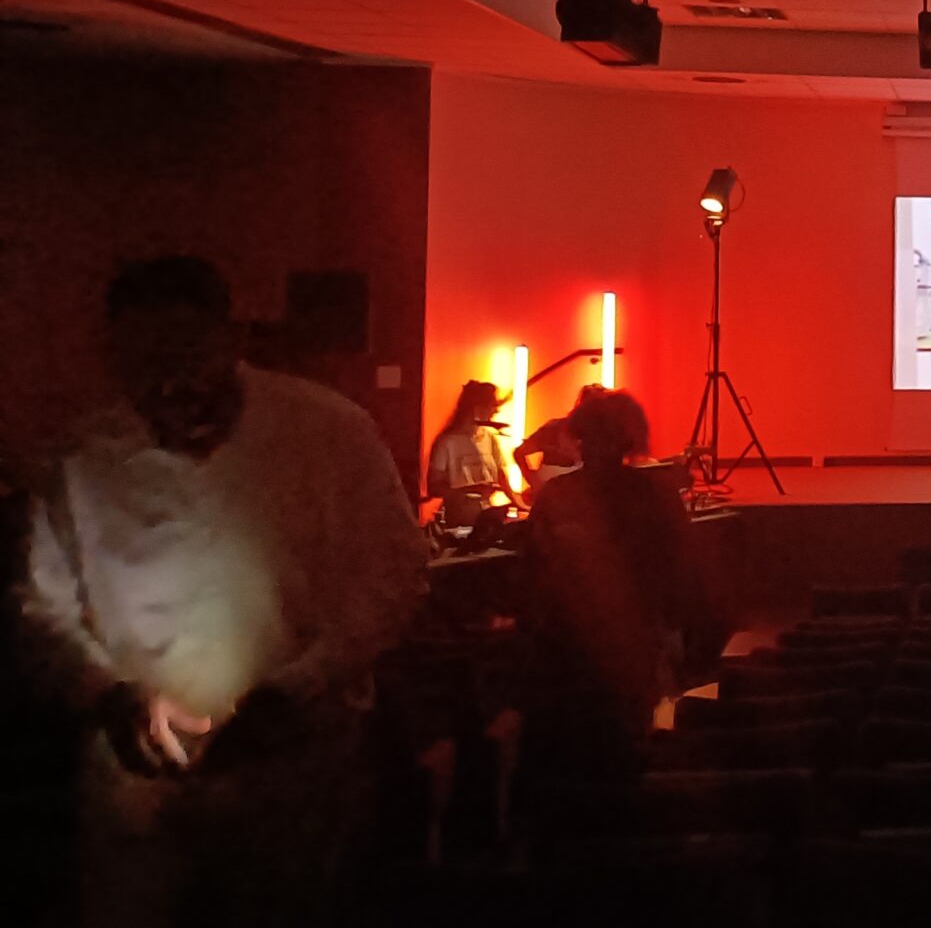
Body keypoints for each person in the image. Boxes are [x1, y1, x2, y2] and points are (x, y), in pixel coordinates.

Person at [19, 255, 428, 927]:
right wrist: (107, 694)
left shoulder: (328, 431)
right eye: (141, 361)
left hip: (296, 770)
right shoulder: (82, 455)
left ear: (230, 339)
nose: (166, 380)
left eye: (184, 353)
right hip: (139, 781)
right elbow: (43, 606)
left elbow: (393, 574)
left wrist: (299, 686)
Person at [522, 389, 688, 784]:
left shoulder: (557, 496)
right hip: (631, 644)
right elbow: (678, 570)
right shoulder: (656, 495)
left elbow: (532, 571)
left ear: (581, 438)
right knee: (628, 751)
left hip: (567, 648)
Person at [425, 379, 509, 501]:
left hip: (486, 509)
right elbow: (433, 488)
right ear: (477, 408)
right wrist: (470, 490)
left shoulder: (490, 439)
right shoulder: (446, 443)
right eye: (492, 405)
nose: (496, 411)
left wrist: (522, 503)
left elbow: (503, 479)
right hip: (459, 510)